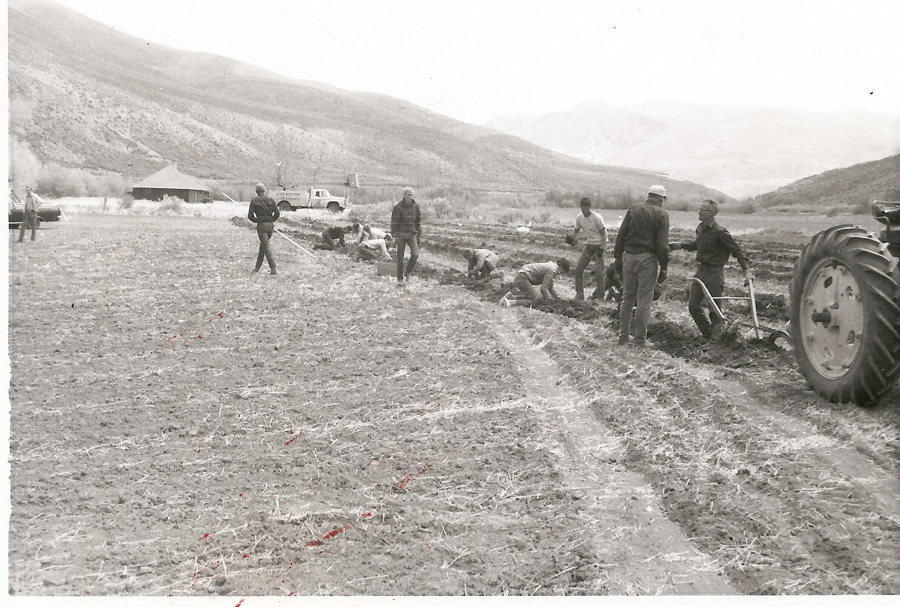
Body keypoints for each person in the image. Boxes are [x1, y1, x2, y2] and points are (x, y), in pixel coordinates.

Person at [670, 199, 753, 339]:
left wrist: (747, 272)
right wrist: (679, 245)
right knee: (693, 306)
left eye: (702, 210)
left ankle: (717, 339)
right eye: (700, 209)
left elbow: (736, 251)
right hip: (701, 271)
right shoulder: (701, 228)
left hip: (715, 273)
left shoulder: (720, 232)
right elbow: (697, 245)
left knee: (715, 309)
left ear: (711, 213)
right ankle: (708, 335)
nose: (699, 211)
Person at [614, 185, 670, 346]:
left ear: (649, 195)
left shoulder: (634, 209)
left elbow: (621, 235)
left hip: (629, 257)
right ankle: (639, 340)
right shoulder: (662, 214)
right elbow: (662, 245)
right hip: (647, 259)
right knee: (644, 300)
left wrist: (618, 257)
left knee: (627, 298)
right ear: (661, 199)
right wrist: (664, 266)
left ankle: (623, 337)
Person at [568, 197, 608, 300]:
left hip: (599, 245)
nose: (585, 210)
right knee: (578, 270)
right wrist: (572, 238)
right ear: (580, 207)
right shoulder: (580, 217)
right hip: (589, 245)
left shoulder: (597, 217)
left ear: (590, 207)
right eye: (583, 208)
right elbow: (576, 230)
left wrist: (602, 248)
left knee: (599, 273)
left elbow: (604, 234)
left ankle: (600, 297)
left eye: (587, 208)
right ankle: (580, 294)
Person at [499, 258, 571, 307]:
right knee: (535, 300)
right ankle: (510, 303)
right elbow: (543, 289)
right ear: (561, 267)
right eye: (563, 272)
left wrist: (558, 299)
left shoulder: (551, 267)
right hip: (523, 278)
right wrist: (548, 300)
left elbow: (550, 287)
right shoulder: (552, 270)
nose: (560, 274)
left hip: (521, 277)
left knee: (532, 296)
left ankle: (512, 297)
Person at [391, 186, 422, 287]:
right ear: (404, 195)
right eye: (408, 195)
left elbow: (418, 222)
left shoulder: (415, 206)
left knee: (416, 254)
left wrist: (418, 235)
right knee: (400, 257)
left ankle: (407, 272)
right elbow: (394, 223)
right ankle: (400, 279)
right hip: (401, 234)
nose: (410, 197)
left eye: (412, 195)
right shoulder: (397, 207)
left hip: (412, 233)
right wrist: (395, 236)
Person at [247, 182, 280, 274]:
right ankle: (257, 268)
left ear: (256, 191)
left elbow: (250, 216)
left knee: (265, 247)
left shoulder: (254, 201)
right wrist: (271, 220)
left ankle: (273, 268)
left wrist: (258, 220)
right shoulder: (271, 200)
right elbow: (277, 213)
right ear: (264, 191)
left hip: (261, 226)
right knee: (263, 247)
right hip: (270, 226)